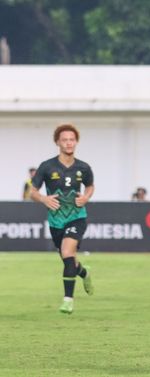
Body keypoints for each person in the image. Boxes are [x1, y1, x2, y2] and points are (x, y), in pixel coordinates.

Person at [29, 124, 94, 314]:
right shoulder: (47, 166)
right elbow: (32, 192)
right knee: (69, 260)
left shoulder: (83, 167)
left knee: (67, 251)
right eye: (64, 139)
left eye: (72, 139)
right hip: (56, 221)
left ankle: (68, 300)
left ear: (76, 142)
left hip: (77, 217)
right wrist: (43, 198)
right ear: (57, 142)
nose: (68, 143)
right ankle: (84, 272)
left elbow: (90, 186)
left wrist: (86, 197)